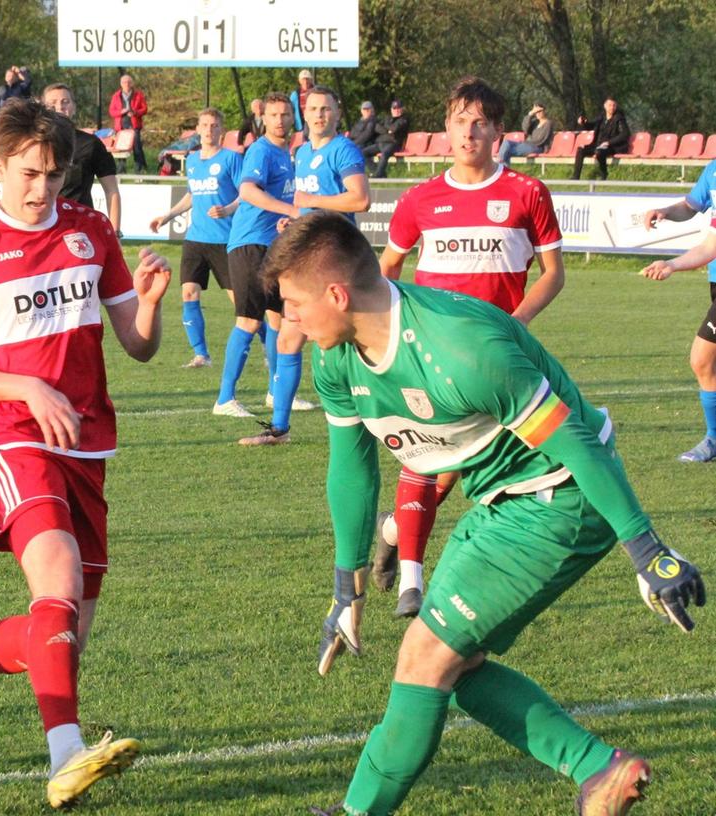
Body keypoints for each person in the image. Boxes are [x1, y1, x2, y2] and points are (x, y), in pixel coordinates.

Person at [284, 211, 704, 816]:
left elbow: (577, 442)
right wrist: (345, 587)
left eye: (294, 301)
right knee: (454, 663)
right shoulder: (335, 358)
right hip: (497, 498)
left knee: (427, 658)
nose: (288, 317)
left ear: (336, 294)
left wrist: (646, 550)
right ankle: (598, 770)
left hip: (560, 494)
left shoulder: (461, 346)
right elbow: (353, 470)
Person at [0, 97, 171, 809]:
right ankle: (65, 754)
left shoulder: (90, 232)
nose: (41, 188)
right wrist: (27, 388)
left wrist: (149, 301)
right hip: (7, 438)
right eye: (28, 173)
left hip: (85, 442)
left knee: (63, 634)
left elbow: (136, 347)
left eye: (52, 174)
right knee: (56, 573)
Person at [374, 77, 566, 617]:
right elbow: (387, 270)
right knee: (428, 455)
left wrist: (517, 324)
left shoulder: (527, 194)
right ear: (447, 128)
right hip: (430, 356)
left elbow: (553, 273)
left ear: (499, 132)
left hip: (496, 358)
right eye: (459, 120)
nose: (468, 131)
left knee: (453, 470)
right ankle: (412, 582)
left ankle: (394, 531)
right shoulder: (420, 199)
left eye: (480, 121)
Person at [240, 85, 368, 447]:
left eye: (325, 109)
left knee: (347, 342)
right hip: (306, 256)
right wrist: (296, 221)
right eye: (313, 109)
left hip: (337, 257)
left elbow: (360, 199)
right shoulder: (302, 151)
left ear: (336, 114)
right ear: (304, 114)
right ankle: (279, 428)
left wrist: (310, 202)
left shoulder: (342, 149)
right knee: (288, 337)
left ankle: (373, 418)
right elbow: (309, 207)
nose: (318, 115)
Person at [214, 92, 299, 420]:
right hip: (250, 244)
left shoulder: (287, 153)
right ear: (264, 118)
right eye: (274, 115)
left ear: (293, 118)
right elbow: (248, 190)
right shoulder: (261, 151)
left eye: (285, 114)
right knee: (250, 321)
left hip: (274, 246)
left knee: (279, 317)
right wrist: (290, 209)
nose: (279, 120)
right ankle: (224, 398)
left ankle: (275, 391)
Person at [149, 108, 241, 368]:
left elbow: (246, 193)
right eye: (204, 125)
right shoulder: (192, 160)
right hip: (196, 239)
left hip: (225, 240)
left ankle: (269, 348)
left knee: (241, 303)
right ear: (198, 129)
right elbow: (192, 195)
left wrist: (228, 209)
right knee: (189, 293)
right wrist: (166, 217)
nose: (209, 130)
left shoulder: (232, 159)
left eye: (214, 125)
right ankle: (201, 355)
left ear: (221, 130)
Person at [639, 166, 716, 461]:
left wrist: (673, 264)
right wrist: (665, 211)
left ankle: (713, 438)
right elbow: (693, 208)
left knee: (702, 359)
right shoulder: (713, 169)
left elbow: (711, 246)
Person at [42, 83, 122, 233]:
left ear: (74, 107)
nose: (59, 107)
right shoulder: (33, 143)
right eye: (52, 103)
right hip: (43, 225)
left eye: (65, 101)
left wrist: (115, 232)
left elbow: (112, 190)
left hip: (80, 228)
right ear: (43, 108)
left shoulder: (91, 144)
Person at [572, 97, 631, 180]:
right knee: (581, 149)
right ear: (605, 106)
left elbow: (625, 134)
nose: (612, 107)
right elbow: (591, 125)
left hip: (612, 147)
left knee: (599, 152)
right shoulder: (601, 117)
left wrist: (609, 142)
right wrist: (583, 123)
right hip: (597, 145)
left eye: (614, 105)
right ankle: (575, 177)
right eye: (610, 105)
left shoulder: (619, 119)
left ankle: (604, 174)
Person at [107, 74, 149, 173]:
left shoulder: (138, 95)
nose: (127, 84)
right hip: (120, 125)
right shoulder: (116, 96)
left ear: (132, 83)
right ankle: (121, 169)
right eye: (125, 82)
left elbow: (145, 109)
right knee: (121, 147)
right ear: (121, 84)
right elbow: (111, 111)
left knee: (137, 146)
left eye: (129, 82)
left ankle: (139, 169)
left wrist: (135, 112)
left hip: (134, 124)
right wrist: (120, 112)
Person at [370, 100, 409, 179]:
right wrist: (387, 131)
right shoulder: (387, 118)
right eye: (394, 108)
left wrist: (386, 127)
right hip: (381, 143)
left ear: (402, 109)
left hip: (394, 143)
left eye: (398, 108)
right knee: (364, 152)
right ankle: (378, 171)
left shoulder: (403, 120)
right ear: (391, 109)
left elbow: (394, 128)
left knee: (385, 153)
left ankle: (377, 175)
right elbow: (376, 127)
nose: (396, 110)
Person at [289, 68, 315, 133]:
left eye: (307, 79)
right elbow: (290, 109)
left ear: (311, 80)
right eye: (303, 79)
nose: (305, 82)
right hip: (301, 125)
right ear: (300, 81)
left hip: (315, 122)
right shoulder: (295, 95)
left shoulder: (317, 92)